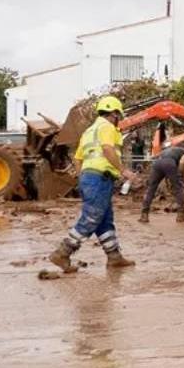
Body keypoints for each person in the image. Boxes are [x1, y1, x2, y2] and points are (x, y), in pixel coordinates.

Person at [48, 96, 137, 271]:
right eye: (118, 115)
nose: (118, 118)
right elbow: (107, 149)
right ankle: (62, 253)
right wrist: (123, 170)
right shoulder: (107, 127)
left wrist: (82, 178)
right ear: (114, 113)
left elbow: (77, 159)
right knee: (92, 218)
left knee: (104, 220)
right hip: (100, 178)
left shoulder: (89, 131)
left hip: (90, 178)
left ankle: (114, 257)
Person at [139, 141, 184, 223]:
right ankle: (181, 215)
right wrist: (181, 177)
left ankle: (144, 215)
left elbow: (155, 157)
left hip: (157, 164)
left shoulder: (168, 150)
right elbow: (183, 162)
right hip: (169, 163)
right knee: (178, 188)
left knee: (151, 188)